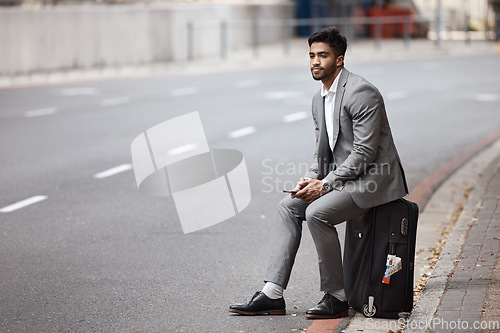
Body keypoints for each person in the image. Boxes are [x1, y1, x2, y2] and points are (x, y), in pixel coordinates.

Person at [229, 26, 408, 319]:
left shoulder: (362, 92)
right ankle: (273, 294)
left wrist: (324, 187)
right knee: (288, 207)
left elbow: (364, 154)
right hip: (342, 178)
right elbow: (322, 153)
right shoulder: (319, 99)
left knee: (317, 214)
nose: (315, 61)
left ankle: (336, 296)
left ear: (339, 60)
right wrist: (311, 179)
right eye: (311, 55)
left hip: (373, 181)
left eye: (322, 55)